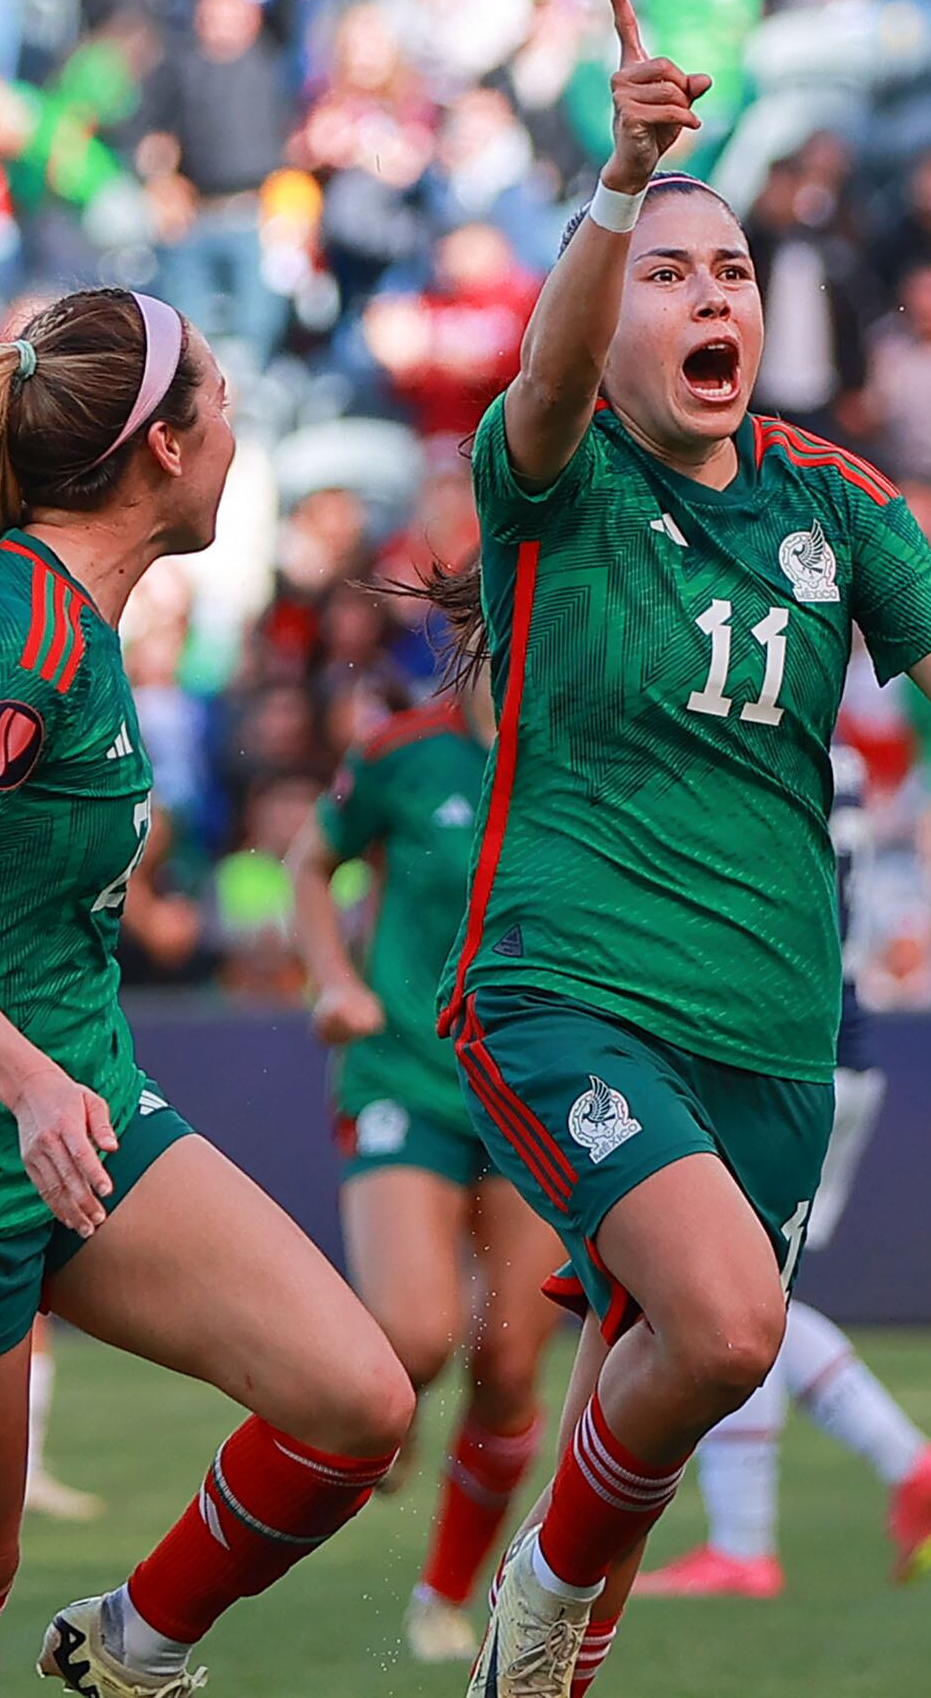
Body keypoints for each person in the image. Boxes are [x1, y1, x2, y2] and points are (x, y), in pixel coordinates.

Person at [453, 0, 931, 1698]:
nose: (714, 298)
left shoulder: (836, 500)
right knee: (722, 1321)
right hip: (574, 981)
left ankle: (547, 1645)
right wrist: (622, 179)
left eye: (735, 274)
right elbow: (540, 375)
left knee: (680, 1358)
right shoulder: (555, 470)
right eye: (670, 274)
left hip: (770, 1023)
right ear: (605, 313)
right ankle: (537, 1612)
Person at [0, 288, 414, 1698]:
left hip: (74, 1110)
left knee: (351, 1403)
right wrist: (26, 1082)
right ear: (166, 450)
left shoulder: (64, 615)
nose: (242, 437)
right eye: (226, 405)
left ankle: (133, 1650)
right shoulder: (20, 629)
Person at [648, 742, 931, 1599]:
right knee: (750, 1294)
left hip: (782, 1055)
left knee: (735, 1298)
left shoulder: (760, 743)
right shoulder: (833, 757)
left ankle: (755, 1538)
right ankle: (887, 1471)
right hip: (830, 1047)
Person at [288, 679, 562, 1664]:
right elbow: (309, 861)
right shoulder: (402, 754)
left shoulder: (589, 747)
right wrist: (333, 978)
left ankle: (445, 1595)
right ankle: (383, 1409)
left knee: (511, 1366)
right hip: (406, 1064)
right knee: (415, 1335)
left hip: (537, 1086)